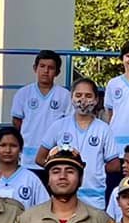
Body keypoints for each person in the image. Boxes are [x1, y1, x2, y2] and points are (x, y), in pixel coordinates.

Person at [38, 77, 113, 210]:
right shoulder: (59, 126)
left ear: (96, 100)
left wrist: (95, 170)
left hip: (94, 197)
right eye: (78, 95)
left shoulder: (104, 129)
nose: (83, 100)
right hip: (64, 196)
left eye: (88, 96)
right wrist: (58, 169)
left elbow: (114, 164)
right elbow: (40, 158)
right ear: (71, 98)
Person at [10, 50, 72, 164]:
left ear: (57, 72)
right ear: (35, 68)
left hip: (53, 156)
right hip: (27, 157)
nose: (46, 71)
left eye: (51, 68)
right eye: (42, 66)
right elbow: (17, 122)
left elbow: (68, 124)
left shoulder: (65, 95)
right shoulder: (23, 93)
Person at [0, 125, 47, 211]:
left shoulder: (31, 179)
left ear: (21, 149)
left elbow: (44, 208)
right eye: (2, 145)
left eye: (13, 146)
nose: (8, 150)